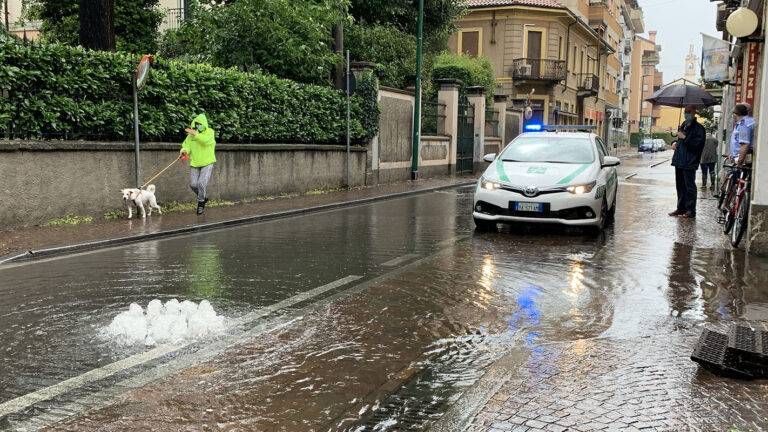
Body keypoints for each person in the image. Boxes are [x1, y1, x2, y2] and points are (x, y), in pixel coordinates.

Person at [669, 105, 706, 219]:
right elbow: (680, 140)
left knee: (689, 187)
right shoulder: (684, 125)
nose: (686, 114)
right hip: (679, 161)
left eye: (689, 112)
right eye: (685, 112)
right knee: (680, 186)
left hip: (690, 161)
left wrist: (684, 138)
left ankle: (690, 210)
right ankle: (681, 208)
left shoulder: (699, 128)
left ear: (694, 113)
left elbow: (698, 145)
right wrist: (675, 143)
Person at [180, 114, 216, 215]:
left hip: (207, 162)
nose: (198, 127)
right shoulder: (190, 136)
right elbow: (186, 146)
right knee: (193, 184)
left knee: (201, 183)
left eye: (200, 125)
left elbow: (206, 141)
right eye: (197, 125)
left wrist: (196, 134)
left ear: (204, 124)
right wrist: (184, 151)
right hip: (195, 162)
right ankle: (203, 197)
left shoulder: (210, 132)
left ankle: (201, 203)